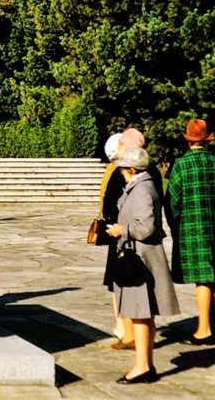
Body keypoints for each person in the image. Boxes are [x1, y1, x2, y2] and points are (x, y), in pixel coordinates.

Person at [105, 147, 179, 384]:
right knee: (142, 314)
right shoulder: (141, 186)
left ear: (132, 169)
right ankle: (145, 364)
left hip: (141, 258)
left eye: (123, 169)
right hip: (141, 256)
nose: (120, 173)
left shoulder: (141, 190)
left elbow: (145, 227)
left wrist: (121, 230)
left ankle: (142, 366)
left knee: (140, 314)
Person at [167, 118, 215, 344]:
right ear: (206, 140)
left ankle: (203, 330)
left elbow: (173, 201)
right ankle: (210, 323)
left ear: (188, 140)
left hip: (193, 229)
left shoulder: (181, 165)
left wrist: (176, 227)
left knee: (203, 279)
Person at [97, 132, 124, 341]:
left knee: (118, 280)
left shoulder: (114, 171)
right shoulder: (150, 169)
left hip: (119, 233)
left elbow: (106, 203)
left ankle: (122, 325)